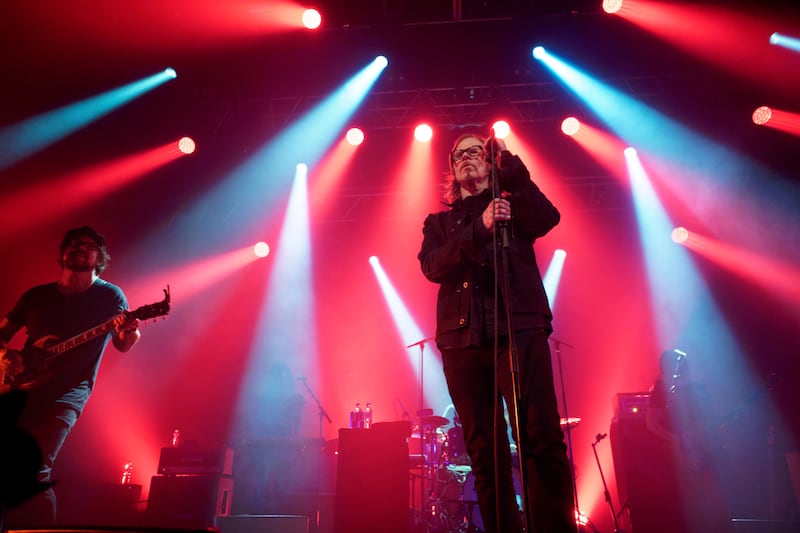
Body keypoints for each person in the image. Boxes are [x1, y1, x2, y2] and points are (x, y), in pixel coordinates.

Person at [418, 133, 576, 533]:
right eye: (459, 154)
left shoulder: (514, 204)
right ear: (451, 168)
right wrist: (480, 228)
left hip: (518, 328)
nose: (466, 158)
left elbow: (547, 217)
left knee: (539, 436)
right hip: (462, 341)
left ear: (491, 164)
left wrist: (511, 166)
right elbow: (433, 266)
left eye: (476, 151)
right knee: (485, 453)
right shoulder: (439, 223)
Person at [0, 225, 141, 526]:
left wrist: (129, 330)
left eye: (89, 245)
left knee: (36, 470)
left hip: (68, 395)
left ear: (100, 258)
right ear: (62, 253)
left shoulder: (110, 296)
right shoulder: (36, 296)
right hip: (22, 389)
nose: (80, 247)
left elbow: (123, 344)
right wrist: (7, 357)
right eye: (74, 243)